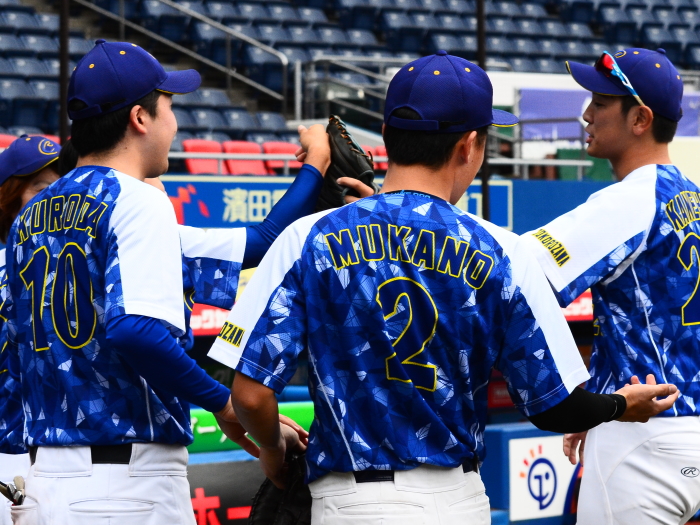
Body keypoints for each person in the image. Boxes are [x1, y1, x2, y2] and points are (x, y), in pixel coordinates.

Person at [207, 51, 679, 525]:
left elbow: (249, 396)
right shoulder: (504, 251)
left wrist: (272, 450)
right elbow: (556, 408)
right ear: (469, 145)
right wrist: (621, 404)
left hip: (350, 502)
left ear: (387, 135)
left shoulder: (307, 236)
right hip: (458, 500)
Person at [1, 40, 306, 525]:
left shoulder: (29, 217)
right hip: (124, 486)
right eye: (169, 106)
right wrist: (224, 404)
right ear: (140, 118)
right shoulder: (137, 200)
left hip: (44, 479)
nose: (175, 123)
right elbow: (135, 331)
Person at [521, 48, 700, 524]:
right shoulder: (692, 195)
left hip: (644, 437)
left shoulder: (633, 198)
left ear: (640, 118)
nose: (586, 114)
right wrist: (597, 401)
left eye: (600, 103)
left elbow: (513, 269)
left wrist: (404, 219)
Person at [0, 135, 61, 525]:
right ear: (9, 198)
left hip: (62, 455)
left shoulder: (73, 264)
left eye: (59, 187)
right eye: (40, 189)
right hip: (8, 454)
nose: (53, 199)